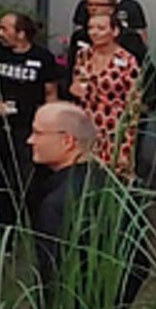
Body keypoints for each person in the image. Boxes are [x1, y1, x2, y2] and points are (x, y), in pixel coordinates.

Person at [0, 12, 61, 230]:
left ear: (21, 34)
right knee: (0, 176)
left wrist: (50, 122)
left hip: (27, 126)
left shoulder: (42, 57)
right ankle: (3, 226)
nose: (0, 33)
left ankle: (31, 224)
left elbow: (50, 92)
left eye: (5, 28)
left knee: (26, 177)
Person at [27, 103, 101, 285]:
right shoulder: (112, 183)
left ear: (67, 141)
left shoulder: (56, 204)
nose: (30, 140)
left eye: (37, 133)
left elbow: (53, 276)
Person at [67, 10, 146, 180]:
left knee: (113, 177)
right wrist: (74, 88)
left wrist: (127, 142)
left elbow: (134, 103)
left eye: (101, 28)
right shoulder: (83, 55)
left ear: (114, 31)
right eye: (91, 28)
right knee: (84, 175)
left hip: (114, 127)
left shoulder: (127, 60)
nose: (94, 32)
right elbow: (77, 81)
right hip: (86, 123)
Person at [68, 0, 147, 62]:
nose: (93, 8)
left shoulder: (130, 37)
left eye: (99, 5)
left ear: (112, 9)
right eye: (90, 5)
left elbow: (144, 67)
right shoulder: (79, 36)